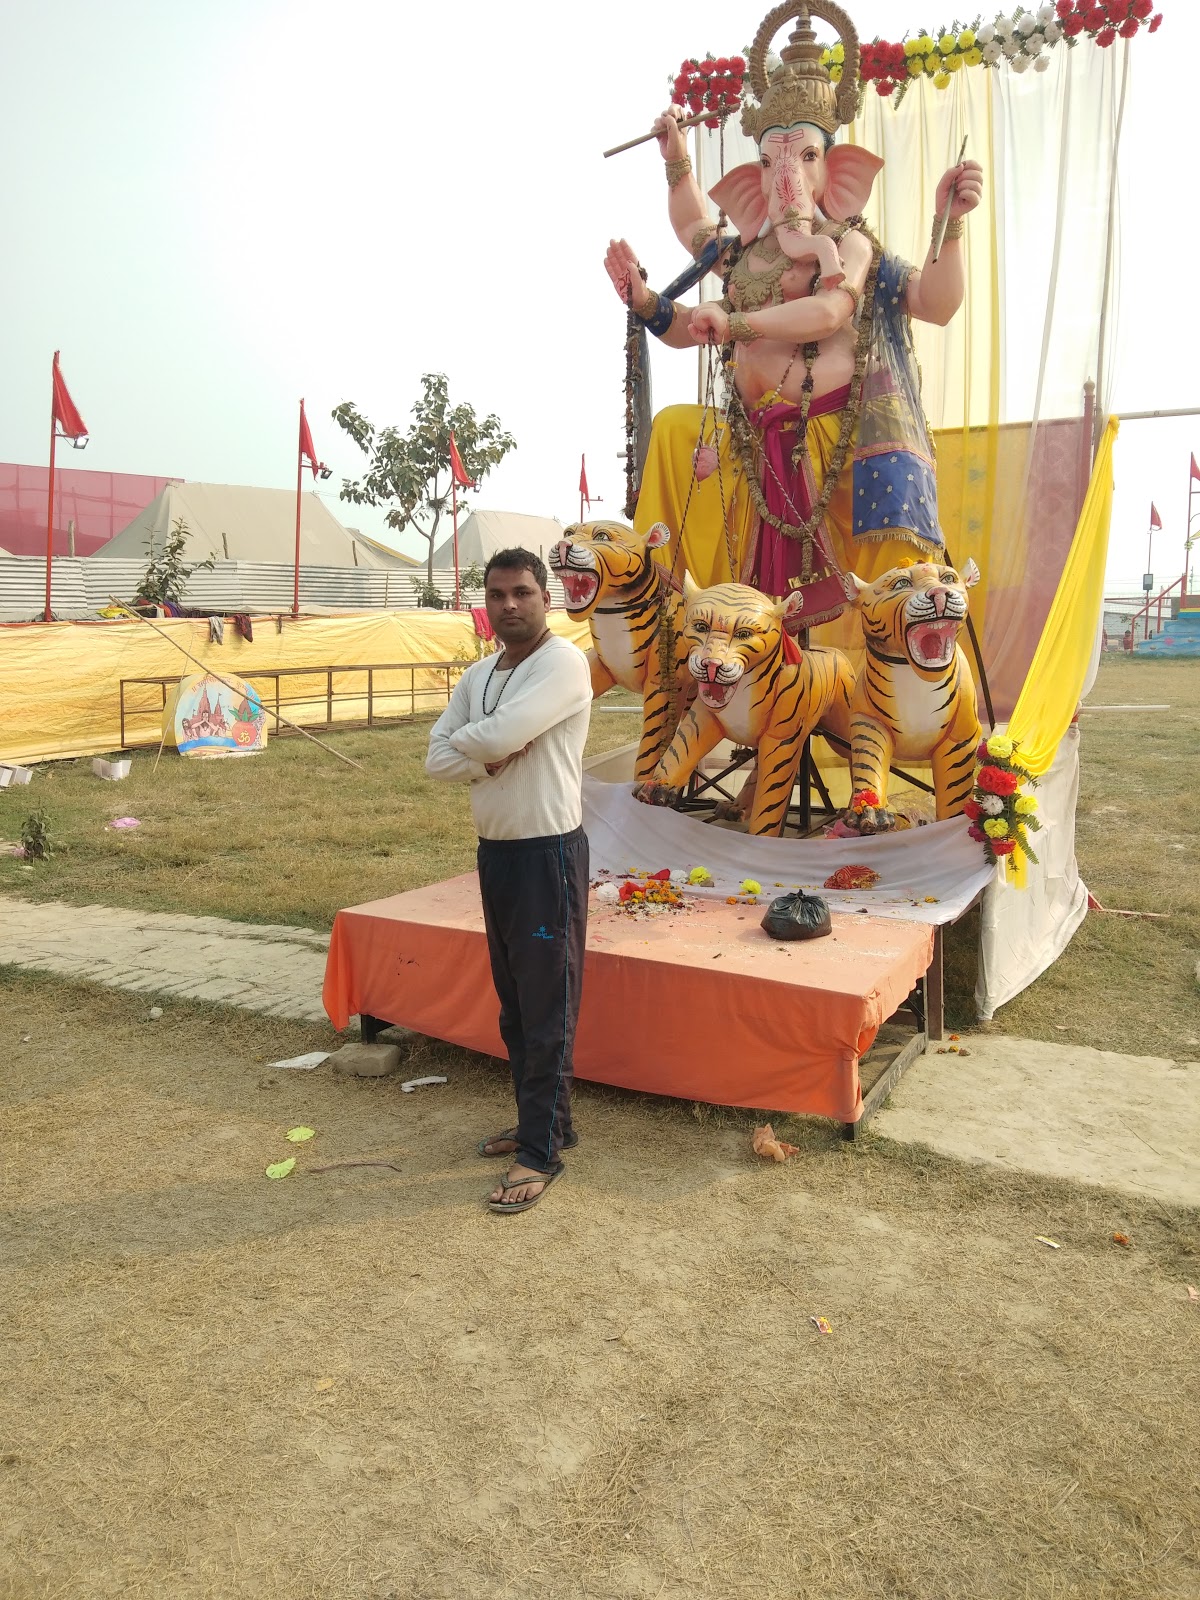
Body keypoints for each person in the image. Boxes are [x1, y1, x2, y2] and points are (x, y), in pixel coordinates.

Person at [426, 548, 593, 1214]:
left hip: (547, 853)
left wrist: (481, 741)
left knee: (547, 1003)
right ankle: (545, 1125)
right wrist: (486, 749)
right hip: (496, 851)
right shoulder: (479, 673)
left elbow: (495, 737)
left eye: (522, 592)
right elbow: (439, 758)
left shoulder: (564, 663)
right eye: (497, 595)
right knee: (517, 1005)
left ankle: (539, 1154)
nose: (509, 606)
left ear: (544, 598)